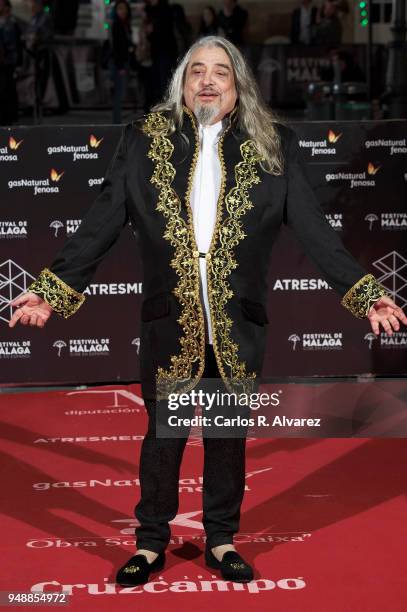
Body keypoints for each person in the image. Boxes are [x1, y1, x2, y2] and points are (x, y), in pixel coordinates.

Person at [9, 35, 406, 585]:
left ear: (238, 83)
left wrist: (364, 290)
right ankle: (151, 542)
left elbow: (316, 232)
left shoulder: (274, 145)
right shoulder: (144, 141)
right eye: (197, 70)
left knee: (226, 437)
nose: (208, 81)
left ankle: (220, 538)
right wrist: (50, 290)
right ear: (182, 82)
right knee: (164, 436)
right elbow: (100, 222)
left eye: (221, 71)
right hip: (170, 321)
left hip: (237, 323)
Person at [109, 0, 135, 124]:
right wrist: (120, 66)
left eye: (124, 9)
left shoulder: (125, 24)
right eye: (120, 9)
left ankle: (117, 120)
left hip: (124, 62)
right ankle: (116, 121)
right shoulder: (116, 25)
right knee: (119, 93)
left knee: (121, 92)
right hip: (119, 64)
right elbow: (117, 47)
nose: (122, 11)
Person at [0, 0, 22, 125]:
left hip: (7, 63)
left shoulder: (11, 24)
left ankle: (8, 119)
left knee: (7, 90)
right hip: (4, 63)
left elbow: (13, 45)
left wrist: (15, 63)